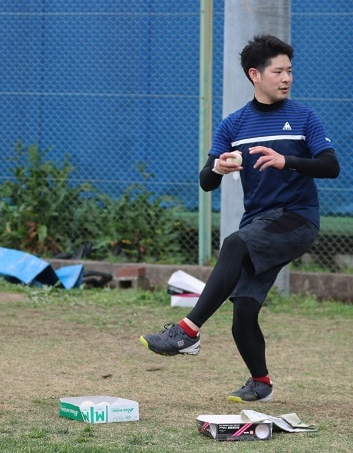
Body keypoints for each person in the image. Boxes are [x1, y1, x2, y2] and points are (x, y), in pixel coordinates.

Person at [140, 35, 340, 403]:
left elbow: (331, 166)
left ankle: (188, 331)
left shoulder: (304, 117)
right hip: (260, 224)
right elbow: (206, 182)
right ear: (255, 75)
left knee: (233, 242)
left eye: (290, 71)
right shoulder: (234, 125)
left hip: (297, 219)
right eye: (278, 71)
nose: (286, 78)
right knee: (243, 311)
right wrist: (217, 165)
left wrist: (287, 160)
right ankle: (261, 383)